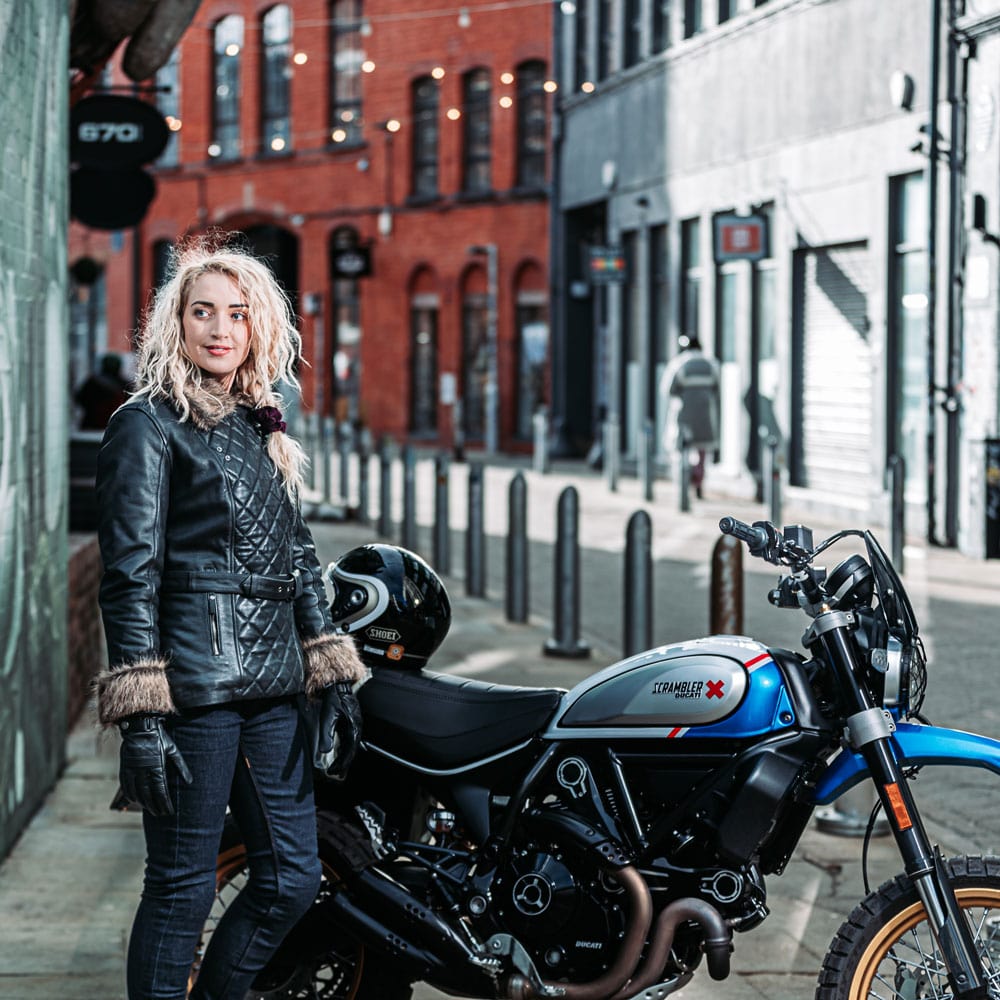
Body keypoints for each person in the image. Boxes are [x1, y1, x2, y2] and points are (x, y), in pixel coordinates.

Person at [93, 238, 367, 1000]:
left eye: (236, 314)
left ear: (258, 328)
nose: (220, 328)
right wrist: (142, 716)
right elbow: (129, 577)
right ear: (174, 323)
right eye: (202, 311)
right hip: (195, 692)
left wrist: (332, 665)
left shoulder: (261, 422)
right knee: (181, 887)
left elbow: (299, 552)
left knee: (291, 875)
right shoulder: (146, 424)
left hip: (275, 685)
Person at [658, 336, 720, 499]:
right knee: (702, 451)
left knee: (682, 448)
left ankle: (685, 480)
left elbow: (667, 390)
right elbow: (717, 388)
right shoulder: (711, 363)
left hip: (683, 413)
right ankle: (699, 481)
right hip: (706, 413)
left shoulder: (679, 363)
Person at [74, 351, 130, 428]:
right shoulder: (126, 385)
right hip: (115, 426)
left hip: (91, 425)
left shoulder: (92, 382)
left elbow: (79, 399)